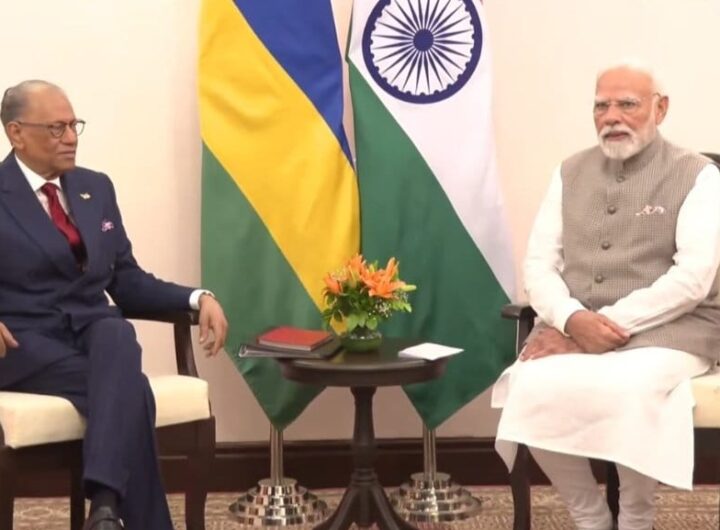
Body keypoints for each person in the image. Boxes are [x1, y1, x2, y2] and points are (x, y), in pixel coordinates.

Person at [492, 63, 720, 530]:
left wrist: (598, 329)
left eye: (627, 104)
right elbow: (539, 266)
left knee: (627, 389)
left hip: (673, 330)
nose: (612, 116)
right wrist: (571, 320)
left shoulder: (698, 175)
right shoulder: (568, 172)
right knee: (529, 385)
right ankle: (590, 515)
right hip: (574, 326)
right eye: (602, 105)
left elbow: (693, 280)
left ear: (660, 108)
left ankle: (636, 517)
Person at [0, 80, 228, 530]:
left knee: (116, 331)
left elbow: (126, 279)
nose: (71, 137)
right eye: (56, 128)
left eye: (74, 125)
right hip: (24, 343)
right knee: (130, 390)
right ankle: (106, 505)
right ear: (16, 133)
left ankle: (104, 511)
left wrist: (197, 297)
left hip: (93, 336)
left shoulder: (95, 188)